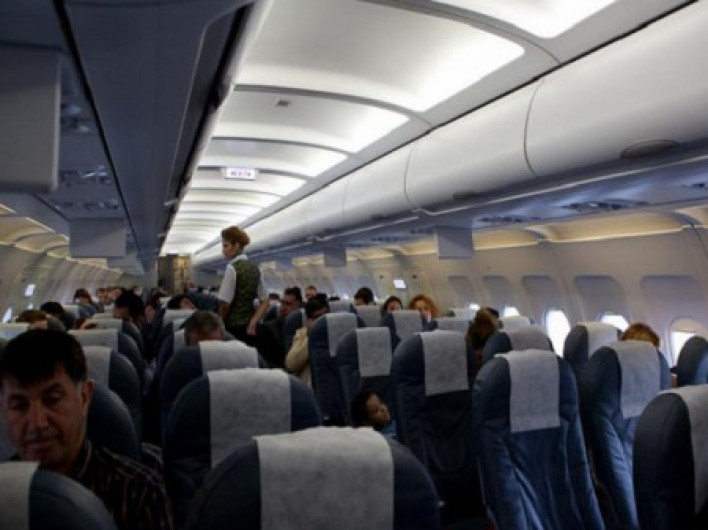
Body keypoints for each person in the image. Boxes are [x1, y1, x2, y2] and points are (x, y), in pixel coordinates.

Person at [0, 329, 173, 530]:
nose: (37, 423)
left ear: (84, 398)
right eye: (19, 405)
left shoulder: (140, 493)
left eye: (52, 400)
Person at [217, 226, 269, 347]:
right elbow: (265, 302)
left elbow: (225, 305)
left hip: (232, 328)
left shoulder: (232, 268)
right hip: (249, 328)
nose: (223, 251)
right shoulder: (255, 268)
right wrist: (253, 322)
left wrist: (218, 323)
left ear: (236, 246)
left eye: (225, 246)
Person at [285, 296, 329, 386]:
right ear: (308, 320)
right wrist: (312, 336)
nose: (323, 322)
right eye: (318, 318)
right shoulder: (302, 334)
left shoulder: (337, 332)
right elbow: (291, 364)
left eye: (325, 317)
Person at [258, 286, 303, 369]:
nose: (283, 308)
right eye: (282, 303)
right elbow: (267, 361)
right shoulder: (268, 329)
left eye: (288, 304)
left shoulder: (304, 329)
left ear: (298, 307)